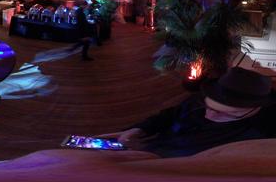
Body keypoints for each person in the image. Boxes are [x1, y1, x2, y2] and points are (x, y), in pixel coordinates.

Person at [101, 67, 276, 158]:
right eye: (208, 107)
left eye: (225, 113)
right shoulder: (199, 100)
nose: (208, 115)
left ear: (256, 108)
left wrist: (147, 153)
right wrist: (140, 129)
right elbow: (170, 115)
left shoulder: (261, 135)